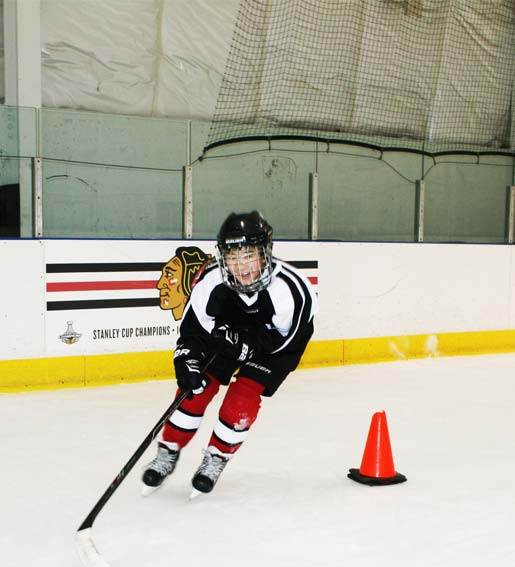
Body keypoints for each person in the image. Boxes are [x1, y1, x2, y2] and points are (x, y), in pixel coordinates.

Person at [142, 210, 319, 496]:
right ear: (223, 256)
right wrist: (187, 359)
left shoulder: (291, 289)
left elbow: (289, 340)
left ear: (265, 252)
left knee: (243, 399)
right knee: (194, 390)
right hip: (226, 336)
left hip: (273, 349)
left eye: (249, 255)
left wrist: (248, 345)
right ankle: (169, 449)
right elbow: (193, 330)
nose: (242, 265)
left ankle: (217, 456)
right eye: (234, 257)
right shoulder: (212, 282)